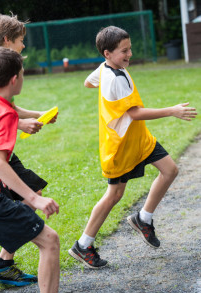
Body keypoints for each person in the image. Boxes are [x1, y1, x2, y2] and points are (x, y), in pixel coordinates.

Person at [68, 26, 197, 269]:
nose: (129, 54)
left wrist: (104, 86)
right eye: (124, 51)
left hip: (139, 139)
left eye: (129, 49)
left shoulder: (107, 68)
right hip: (121, 146)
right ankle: (83, 245)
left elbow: (87, 82)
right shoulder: (114, 79)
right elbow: (135, 113)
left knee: (170, 170)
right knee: (114, 195)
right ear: (107, 53)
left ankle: (143, 218)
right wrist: (172, 111)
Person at [0, 13, 58, 286]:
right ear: (6, 40)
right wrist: (21, 123)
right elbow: (0, 116)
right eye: (20, 41)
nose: (23, 46)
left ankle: (4, 262)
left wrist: (34, 116)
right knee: (44, 227)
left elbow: (3, 107)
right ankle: (4, 264)